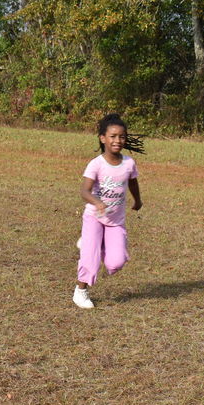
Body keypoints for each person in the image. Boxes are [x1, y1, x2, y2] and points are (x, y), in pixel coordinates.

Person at [73, 113, 144, 309]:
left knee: (115, 263)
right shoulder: (96, 164)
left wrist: (138, 200)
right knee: (91, 258)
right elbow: (84, 191)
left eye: (121, 136)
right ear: (102, 138)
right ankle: (81, 292)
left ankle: (95, 244)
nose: (117, 140)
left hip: (115, 221)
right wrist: (97, 202)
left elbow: (132, 182)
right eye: (112, 136)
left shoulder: (129, 163)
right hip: (94, 217)